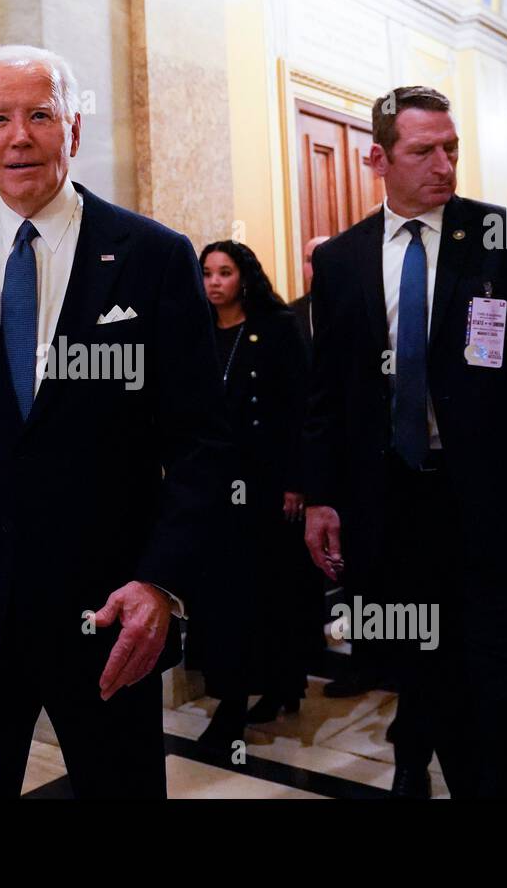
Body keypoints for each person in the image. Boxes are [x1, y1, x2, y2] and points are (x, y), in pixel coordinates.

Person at [0, 45, 230, 798]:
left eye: (39, 114)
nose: (19, 136)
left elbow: (202, 441)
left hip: (110, 616)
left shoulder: (154, 257)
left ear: (75, 127)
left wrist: (161, 581)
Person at [303, 86, 507, 799]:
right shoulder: (344, 259)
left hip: (504, 513)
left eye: (452, 149)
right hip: (397, 517)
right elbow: (327, 396)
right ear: (379, 158)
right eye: (423, 151)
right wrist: (319, 495)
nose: (443, 165)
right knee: (433, 690)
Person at [186, 241, 316, 751]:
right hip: (216, 484)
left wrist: (296, 482)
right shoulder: (196, 333)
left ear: (245, 277)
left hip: (268, 484)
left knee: (272, 590)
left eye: (225, 272)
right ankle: (255, 687)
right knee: (226, 594)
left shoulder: (278, 328)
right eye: (207, 273)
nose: (215, 282)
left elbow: (302, 409)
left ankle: (256, 696)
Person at [290, 235, 328, 369]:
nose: (315, 266)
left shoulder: (356, 307)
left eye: (322, 258)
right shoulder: (289, 313)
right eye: (309, 260)